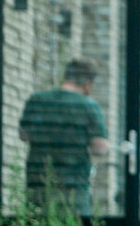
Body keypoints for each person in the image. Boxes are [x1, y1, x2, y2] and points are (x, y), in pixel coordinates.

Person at [19, 58, 110, 217]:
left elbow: (24, 135)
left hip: (38, 183)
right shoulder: (89, 106)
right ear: (87, 84)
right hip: (73, 188)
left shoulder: (36, 100)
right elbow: (99, 148)